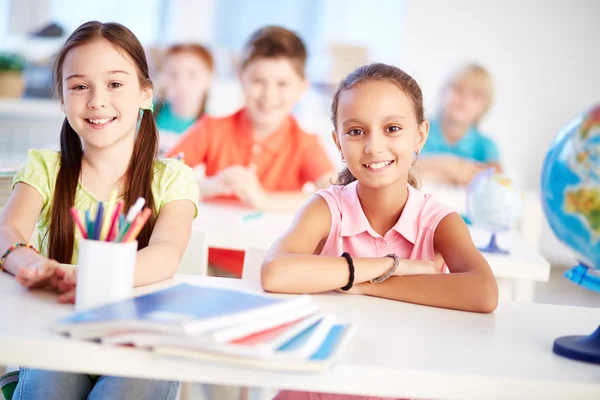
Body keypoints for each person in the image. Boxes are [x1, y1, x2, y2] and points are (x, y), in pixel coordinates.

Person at [262, 63, 498, 400]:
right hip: (317, 389)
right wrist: (391, 266)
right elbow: (275, 272)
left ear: (420, 135)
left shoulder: (438, 220)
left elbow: (483, 293)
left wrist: (368, 287)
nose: (373, 146)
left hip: (403, 387)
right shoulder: (326, 208)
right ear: (338, 143)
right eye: (356, 132)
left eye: (392, 128)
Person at [0, 21, 199, 400]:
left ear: (145, 94)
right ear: (61, 99)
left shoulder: (173, 177)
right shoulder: (46, 168)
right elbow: (7, 231)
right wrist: (30, 265)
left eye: (115, 84)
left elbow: (165, 255)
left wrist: (85, 275)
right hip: (55, 332)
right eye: (79, 86)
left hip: (140, 342)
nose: (96, 100)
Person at [168, 26, 337, 278]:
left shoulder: (305, 143)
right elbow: (165, 173)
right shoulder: (212, 129)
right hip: (208, 263)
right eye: (258, 81)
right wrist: (209, 186)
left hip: (272, 269)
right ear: (241, 78)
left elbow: (333, 196)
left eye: (282, 84)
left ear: (302, 87)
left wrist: (264, 200)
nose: (269, 95)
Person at [417, 63, 501, 186]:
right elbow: (404, 167)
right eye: (458, 89)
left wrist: (433, 170)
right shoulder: (419, 131)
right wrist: (450, 165)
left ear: (485, 107)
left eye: (476, 95)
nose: (465, 98)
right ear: (442, 93)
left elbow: (494, 180)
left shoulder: (486, 146)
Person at [154, 43, 214, 153]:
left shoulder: (213, 127)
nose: (181, 84)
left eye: (192, 75)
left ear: (209, 78)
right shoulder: (146, 113)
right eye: (173, 75)